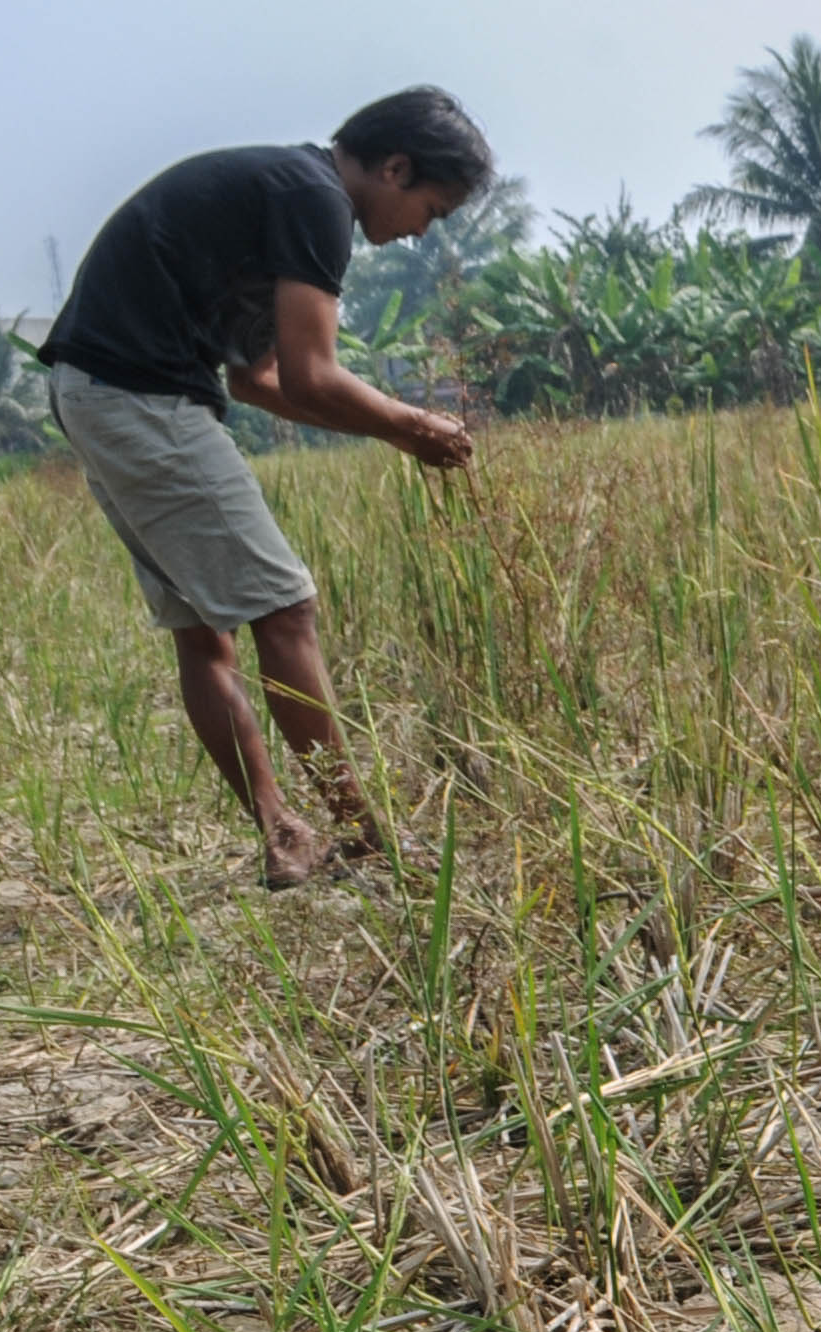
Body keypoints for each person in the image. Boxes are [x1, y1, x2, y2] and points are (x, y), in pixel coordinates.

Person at [36, 90, 491, 888]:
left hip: (94, 392)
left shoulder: (282, 194)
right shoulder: (316, 199)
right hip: (140, 395)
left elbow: (259, 380)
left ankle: (284, 831)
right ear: (394, 168)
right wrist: (414, 426)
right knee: (284, 611)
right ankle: (361, 836)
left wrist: (394, 428)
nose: (423, 229)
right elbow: (314, 376)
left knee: (203, 629)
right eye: (432, 207)